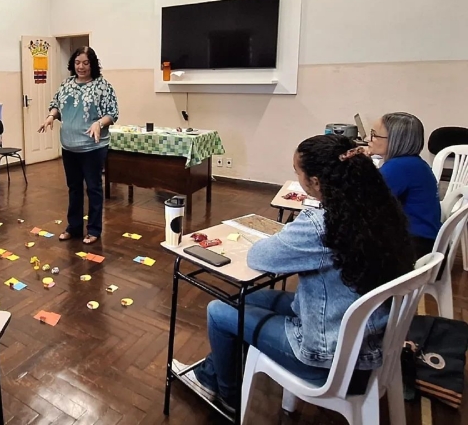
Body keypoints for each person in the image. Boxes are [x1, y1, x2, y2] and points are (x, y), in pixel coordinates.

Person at [172, 135, 415, 417]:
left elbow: (259, 257)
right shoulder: (379, 209)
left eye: (297, 172)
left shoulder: (323, 224)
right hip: (366, 342)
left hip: (327, 358)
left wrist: (294, 228)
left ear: (315, 182)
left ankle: (225, 394)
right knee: (247, 300)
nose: (297, 179)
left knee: (219, 311)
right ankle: (212, 373)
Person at [38, 47, 119, 244]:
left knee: (93, 188)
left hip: (93, 147)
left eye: (85, 63)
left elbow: (112, 113)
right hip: (69, 147)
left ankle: (94, 230)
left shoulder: (102, 86)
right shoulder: (66, 84)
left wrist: (99, 123)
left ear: (92, 64)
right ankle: (73, 228)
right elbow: (56, 105)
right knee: (74, 188)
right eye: (77, 63)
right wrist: (51, 116)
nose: (81, 67)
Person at [367, 112, 441, 258]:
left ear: (395, 140)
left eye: (374, 135)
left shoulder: (399, 167)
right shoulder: (413, 162)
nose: (368, 139)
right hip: (426, 239)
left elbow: (364, 200)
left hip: (415, 246)